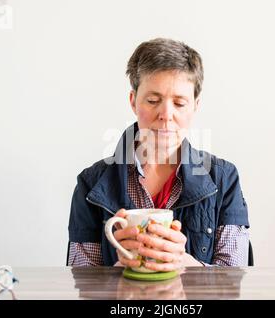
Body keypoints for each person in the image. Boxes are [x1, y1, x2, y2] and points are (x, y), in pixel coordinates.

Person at [68, 38, 250, 271]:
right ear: (133, 101)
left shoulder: (224, 179)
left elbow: (234, 282)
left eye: (179, 103)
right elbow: (83, 284)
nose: (166, 114)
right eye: (153, 100)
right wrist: (120, 268)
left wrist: (186, 264)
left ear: (196, 105)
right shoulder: (90, 184)